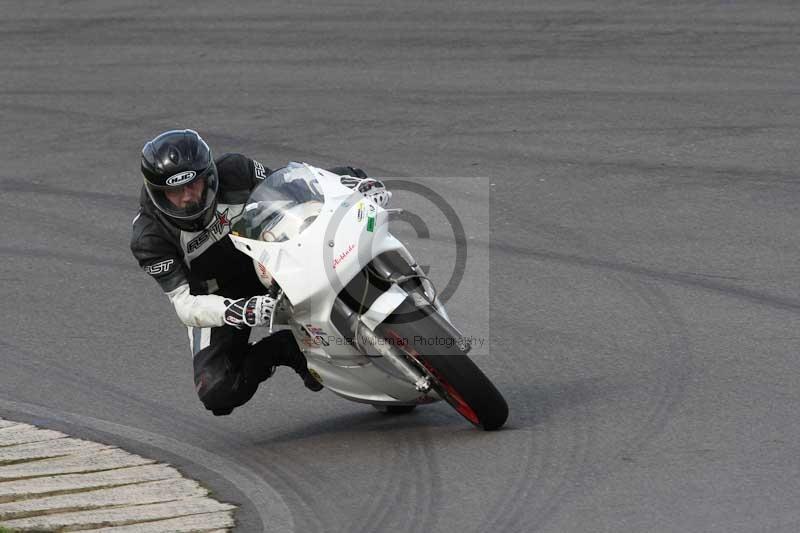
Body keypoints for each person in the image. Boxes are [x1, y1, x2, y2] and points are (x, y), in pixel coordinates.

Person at [130, 129, 390, 416]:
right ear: (158, 194)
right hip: (219, 297)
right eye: (175, 191)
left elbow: (294, 187)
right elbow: (184, 303)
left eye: (195, 184)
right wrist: (239, 311)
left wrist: (351, 184)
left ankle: (389, 296)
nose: (189, 197)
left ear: (209, 174)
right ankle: (285, 348)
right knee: (217, 390)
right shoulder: (149, 238)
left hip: (268, 258)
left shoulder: (235, 171)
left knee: (339, 239)